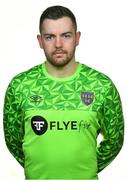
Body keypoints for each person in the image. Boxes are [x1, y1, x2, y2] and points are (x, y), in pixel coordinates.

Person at [3, 5, 124, 180]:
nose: (58, 44)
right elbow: (13, 141)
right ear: (40, 41)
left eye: (66, 35)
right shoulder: (20, 86)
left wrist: (86, 167)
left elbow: (115, 140)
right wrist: (36, 167)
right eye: (50, 37)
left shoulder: (101, 85)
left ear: (77, 37)